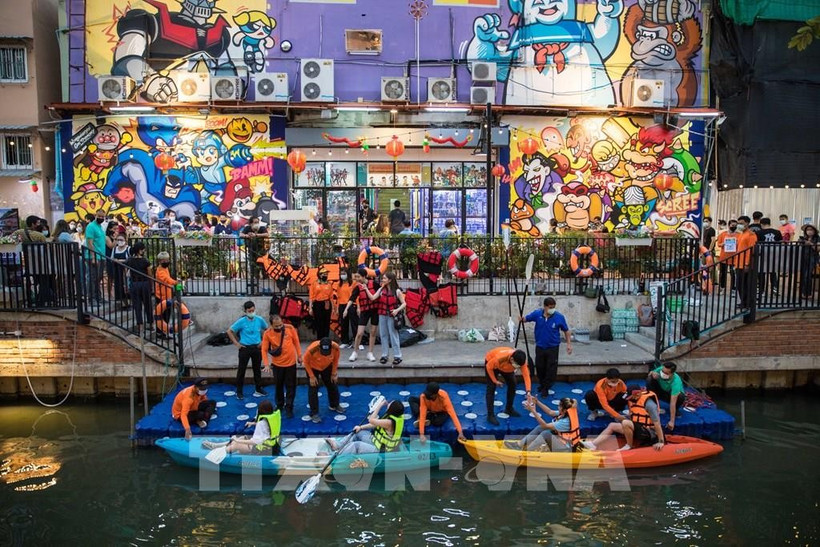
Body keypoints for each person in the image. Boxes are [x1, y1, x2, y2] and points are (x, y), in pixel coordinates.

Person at [582, 385, 665, 452]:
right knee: (612, 425)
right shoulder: (633, 399)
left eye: (630, 397)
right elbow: (635, 415)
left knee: (625, 422)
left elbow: (657, 424)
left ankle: (629, 446)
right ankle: (593, 444)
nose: (629, 399)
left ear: (638, 394)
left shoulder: (650, 405)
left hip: (649, 432)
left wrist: (661, 441)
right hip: (638, 428)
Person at [520, 297, 572, 397]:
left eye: (553, 307)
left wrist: (569, 344)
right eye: (550, 307)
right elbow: (526, 319)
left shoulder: (559, 317)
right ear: (545, 307)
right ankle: (542, 383)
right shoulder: (537, 314)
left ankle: (546, 387)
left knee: (551, 368)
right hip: (540, 346)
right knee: (540, 367)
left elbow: (566, 331)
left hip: (553, 347)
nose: (552, 309)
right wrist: (522, 319)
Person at [203, 399, 281, 455]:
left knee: (237, 444)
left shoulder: (261, 424)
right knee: (242, 437)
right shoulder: (273, 417)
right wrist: (253, 423)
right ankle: (216, 446)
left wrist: (237, 441)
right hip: (272, 446)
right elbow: (267, 429)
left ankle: (218, 453)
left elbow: (255, 441)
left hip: (263, 450)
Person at [328, 399, 405, 455]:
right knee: (358, 432)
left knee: (356, 445)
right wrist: (360, 427)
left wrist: (379, 405)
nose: (389, 402)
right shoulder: (394, 416)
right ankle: (337, 445)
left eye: (391, 403)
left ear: (391, 408)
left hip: (381, 449)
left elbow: (371, 420)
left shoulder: (389, 422)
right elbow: (375, 424)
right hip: (376, 441)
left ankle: (334, 455)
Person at [227, 301, 269, 400]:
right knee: (241, 370)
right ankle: (239, 391)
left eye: (253, 310)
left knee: (257, 369)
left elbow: (268, 330)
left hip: (257, 347)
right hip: (244, 348)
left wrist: (263, 342)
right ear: (245, 311)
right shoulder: (241, 321)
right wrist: (236, 344)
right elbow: (230, 331)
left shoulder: (259, 319)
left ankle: (258, 388)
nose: (251, 312)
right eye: (249, 311)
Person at [261, 313, 302, 418]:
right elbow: (264, 349)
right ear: (271, 325)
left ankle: (289, 407)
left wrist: (299, 355)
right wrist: (266, 364)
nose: (279, 327)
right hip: (277, 364)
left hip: (291, 363)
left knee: (291, 387)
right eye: (276, 326)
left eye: (280, 325)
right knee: (278, 386)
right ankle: (279, 405)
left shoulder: (290, 328)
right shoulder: (267, 333)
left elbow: (296, 342)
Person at [504, 397, 580, 452]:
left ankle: (527, 452)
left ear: (565, 410)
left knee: (545, 433)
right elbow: (550, 412)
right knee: (540, 428)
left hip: (566, 449)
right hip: (564, 442)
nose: (558, 407)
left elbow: (545, 425)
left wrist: (533, 411)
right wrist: (537, 402)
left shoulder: (565, 422)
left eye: (560, 406)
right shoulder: (565, 413)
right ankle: (520, 445)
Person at [366, 271, 406, 365]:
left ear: (390, 280)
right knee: (383, 335)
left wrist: (396, 310)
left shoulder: (397, 291)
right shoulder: (381, 290)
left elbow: (404, 303)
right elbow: (372, 298)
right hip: (382, 314)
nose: (382, 280)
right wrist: (366, 289)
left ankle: (397, 356)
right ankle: (385, 355)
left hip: (391, 315)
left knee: (393, 335)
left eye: (384, 278)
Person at [303, 337, 345, 423]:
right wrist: (311, 376)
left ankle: (334, 405)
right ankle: (314, 413)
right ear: (319, 347)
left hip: (327, 366)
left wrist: (334, 373)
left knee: (332, 384)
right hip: (313, 367)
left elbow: (335, 360)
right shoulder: (311, 349)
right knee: (313, 389)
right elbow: (305, 362)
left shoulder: (336, 347)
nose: (325, 354)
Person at [485, 347, 530, 425]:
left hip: (507, 369)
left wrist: (528, 391)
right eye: (517, 366)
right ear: (512, 359)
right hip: (492, 364)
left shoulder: (521, 361)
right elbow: (489, 367)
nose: (518, 368)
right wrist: (495, 380)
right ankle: (490, 415)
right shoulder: (499, 358)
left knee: (513, 384)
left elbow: (526, 376)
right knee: (491, 388)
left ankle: (509, 408)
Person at [344, 271, 377, 362]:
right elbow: (352, 298)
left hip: (375, 310)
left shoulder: (374, 284)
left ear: (364, 276)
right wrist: (346, 309)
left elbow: (380, 292)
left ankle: (370, 352)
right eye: (356, 277)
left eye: (358, 277)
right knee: (359, 333)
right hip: (364, 311)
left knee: (373, 332)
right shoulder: (358, 287)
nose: (357, 279)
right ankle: (355, 352)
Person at [646, 361, 685, 431]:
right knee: (649, 379)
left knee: (681, 397)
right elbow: (651, 373)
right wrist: (652, 374)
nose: (663, 374)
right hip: (661, 390)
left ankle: (676, 410)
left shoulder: (676, 381)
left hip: (670, 395)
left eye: (666, 373)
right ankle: (652, 403)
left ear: (672, 374)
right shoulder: (661, 369)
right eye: (662, 371)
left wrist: (672, 421)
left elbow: (673, 402)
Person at [126, 242, 153, 332]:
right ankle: (150, 323)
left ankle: (140, 325)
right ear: (140, 250)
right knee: (148, 304)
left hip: (134, 283)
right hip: (144, 283)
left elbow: (125, 267)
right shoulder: (145, 261)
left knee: (137, 305)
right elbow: (149, 274)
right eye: (143, 249)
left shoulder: (130, 260)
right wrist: (151, 284)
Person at [733, 216, 760, 308]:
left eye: (742, 223)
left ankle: (747, 303)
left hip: (745, 264)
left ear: (748, 223)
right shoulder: (741, 234)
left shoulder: (751, 235)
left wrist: (747, 264)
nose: (739, 225)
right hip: (738, 263)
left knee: (746, 285)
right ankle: (743, 302)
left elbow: (751, 250)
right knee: (740, 285)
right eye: (739, 223)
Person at [84, 209, 107, 304]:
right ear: (95, 215)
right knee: (93, 278)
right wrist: (93, 257)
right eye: (99, 216)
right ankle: (92, 298)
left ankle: (98, 297)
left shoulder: (100, 227)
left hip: (101, 256)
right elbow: (90, 243)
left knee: (98, 278)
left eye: (103, 217)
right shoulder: (91, 227)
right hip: (93, 256)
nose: (101, 218)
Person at [756, 217, 783, 297]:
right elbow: (780, 242)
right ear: (770, 223)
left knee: (761, 273)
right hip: (774, 254)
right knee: (773, 272)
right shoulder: (777, 232)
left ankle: (761, 291)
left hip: (763, 254)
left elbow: (756, 243)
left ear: (761, 224)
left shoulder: (758, 233)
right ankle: (775, 288)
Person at [242, 216, 268, 287]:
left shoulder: (262, 228)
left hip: (261, 251)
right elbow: (241, 234)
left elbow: (267, 234)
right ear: (251, 223)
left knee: (263, 266)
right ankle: (254, 282)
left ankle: (265, 281)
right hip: (251, 251)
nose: (257, 224)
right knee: (253, 266)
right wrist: (247, 236)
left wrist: (256, 235)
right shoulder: (247, 228)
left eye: (257, 222)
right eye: (255, 222)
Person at [308, 267, 333, 340]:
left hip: (327, 303)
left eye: (326, 274)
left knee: (326, 321)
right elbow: (311, 297)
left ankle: (326, 338)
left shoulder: (329, 284)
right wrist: (310, 308)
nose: (325, 275)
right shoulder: (314, 283)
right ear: (319, 275)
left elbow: (331, 297)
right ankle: (319, 339)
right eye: (324, 274)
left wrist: (334, 308)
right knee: (319, 321)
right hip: (317, 304)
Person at [798, 224, 819, 299]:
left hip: (812, 258)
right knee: (803, 276)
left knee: (808, 276)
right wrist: (802, 242)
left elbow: (817, 249)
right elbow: (798, 245)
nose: (809, 231)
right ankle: (803, 293)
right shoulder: (802, 238)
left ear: (814, 231)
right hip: (803, 258)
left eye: (811, 230)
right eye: (808, 230)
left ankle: (808, 293)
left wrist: (810, 244)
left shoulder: (817, 238)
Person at [335, 271, 355, 348]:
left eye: (344, 273)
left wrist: (358, 307)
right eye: (341, 274)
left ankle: (357, 342)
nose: (342, 275)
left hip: (351, 304)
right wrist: (337, 308)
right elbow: (338, 297)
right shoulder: (339, 285)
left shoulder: (352, 284)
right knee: (343, 324)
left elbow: (355, 296)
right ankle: (344, 341)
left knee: (354, 323)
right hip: (342, 305)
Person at [111, 233, 130, 310]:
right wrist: (115, 261)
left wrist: (121, 261)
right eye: (118, 240)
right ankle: (122, 303)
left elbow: (130, 259)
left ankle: (128, 303)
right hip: (117, 270)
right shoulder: (115, 249)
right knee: (119, 286)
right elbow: (111, 258)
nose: (119, 241)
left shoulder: (128, 249)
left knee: (127, 287)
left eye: (121, 240)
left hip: (125, 270)